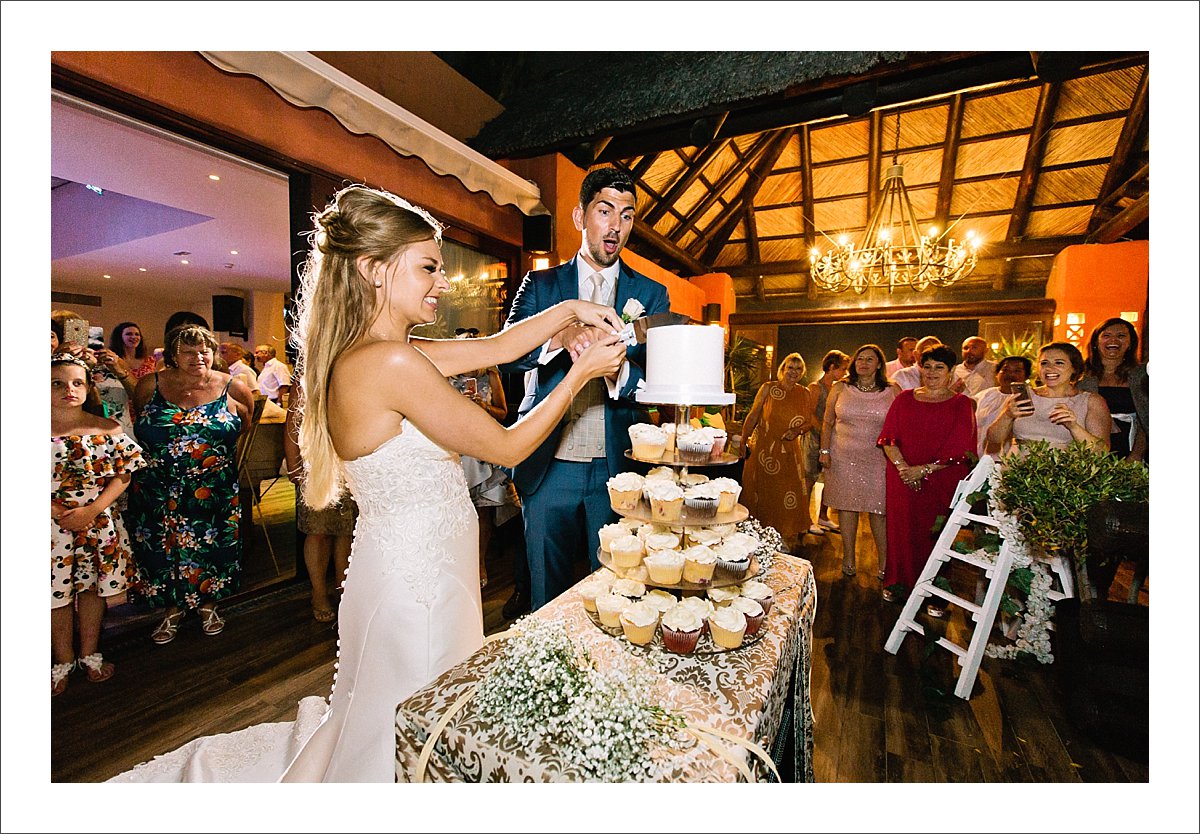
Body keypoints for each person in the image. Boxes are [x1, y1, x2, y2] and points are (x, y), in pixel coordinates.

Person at [276, 184, 626, 782]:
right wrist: (579, 373)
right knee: (422, 716)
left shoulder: (385, 352)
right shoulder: (390, 364)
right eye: (429, 268)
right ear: (374, 270)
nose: (442, 282)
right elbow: (508, 445)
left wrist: (570, 311)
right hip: (418, 582)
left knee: (409, 714)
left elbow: (496, 346)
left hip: (415, 561)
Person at [498, 167, 671, 613]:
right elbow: (508, 355)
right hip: (549, 463)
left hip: (616, 469)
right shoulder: (541, 285)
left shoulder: (651, 295)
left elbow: (657, 381)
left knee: (616, 592)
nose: (616, 225)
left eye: (628, 215)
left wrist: (614, 371)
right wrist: (560, 336)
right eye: (605, 210)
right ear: (580, 217)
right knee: (546, 598)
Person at [127, 324, 256, 644]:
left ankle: (209, 607)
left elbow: (244, 426)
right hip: (158, 489)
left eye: (204, 350)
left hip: (213, 489)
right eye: (188, 351)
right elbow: (143, 421)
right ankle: (171, 611)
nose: (198, 357)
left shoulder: (234, 387)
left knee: (213, 549)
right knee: (162, 551)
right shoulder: (148, 385)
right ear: (172, 355)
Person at [51, 353, 146, 695]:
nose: (69, 390)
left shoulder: (105, 427)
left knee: (92, 588)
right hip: (50, 526)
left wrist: (92, 510)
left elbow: (124, 472)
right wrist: (56, 510)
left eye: (77, 383)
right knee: (54, 595)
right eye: (57, 383)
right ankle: (62, 659)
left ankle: (89, 652)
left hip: (95, 520)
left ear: (89, 387)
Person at [878, 345, 976, 610]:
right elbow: (888, 438)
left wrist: (922, 470)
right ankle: (897, 583)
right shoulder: (904, 398)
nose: (932, 372)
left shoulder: (961, 403)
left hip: (941, 479)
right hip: (901, 478)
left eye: (939, 367)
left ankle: (936, 592)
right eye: (927, 366)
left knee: (936, 535)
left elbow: (961, 448)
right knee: (900, 533)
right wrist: (903, 468)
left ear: (951, 371)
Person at [818, 344, 899, 579]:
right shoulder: (841, 387)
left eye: (869, 359)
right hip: (843, 456)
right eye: (859, 359)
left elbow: (901, 424)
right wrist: (824, 451)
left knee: (878, 510)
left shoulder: (892, 390)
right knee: (847, 507)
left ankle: (884, 563)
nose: (863, 363)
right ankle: (849, 557)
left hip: (878, 457)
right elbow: (827, 422)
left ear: (879, 365)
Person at [449, 330, 520, 589]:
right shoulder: (443, 375)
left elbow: (502, 414)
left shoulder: (490, 375)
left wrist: (483, 406)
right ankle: (456, 563)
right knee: (456, 513)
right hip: (455, 451)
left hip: (481, 453)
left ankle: (479, 562)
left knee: (483, 513)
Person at [283, 377, 354, 623]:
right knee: (317, 530)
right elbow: (293, 420)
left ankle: (342, 587)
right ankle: (318, 592)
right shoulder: (307, 374)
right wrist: (293, 463)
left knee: (346, 529)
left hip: (352, 456)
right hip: (318, 458)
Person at [741, 352, 817, 552]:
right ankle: (757, 536)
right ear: (783, 369)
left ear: (802, 372)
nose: (794, 372)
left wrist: (797, 431)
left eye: (798, 369)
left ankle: (778, 536)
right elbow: (753, 415)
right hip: (764, 449)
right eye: (790, 367)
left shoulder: (805, 393)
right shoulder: (768, 388)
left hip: (790, 453)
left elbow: (809, 422)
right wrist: (742, 440)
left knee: (785, 495)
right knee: (764, 494)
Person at [984, 341, 1111, 455]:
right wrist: (1007, 415)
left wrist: (1073, 427)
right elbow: (993, 439)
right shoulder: (1023, 396)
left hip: (1065, 474)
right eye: (1044, 363)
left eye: (1059, 363)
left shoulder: (1091, 401)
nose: (1050, 368)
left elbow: (1101, 451)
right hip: (1018, 471)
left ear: (1074, 368)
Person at [1076, 317, 1148, 461]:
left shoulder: (1142, 375)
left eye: (1121, 336)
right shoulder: (1079, 374)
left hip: (1131, 447)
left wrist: (1136, 454)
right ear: (1096, 342)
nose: (1113, 341)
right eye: (1106, 336)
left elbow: (1147, 418)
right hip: (1089, 448)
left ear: (1130, 343)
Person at [804, 349, 850, 535]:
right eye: (843, 369)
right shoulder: (815, 387)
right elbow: (809, 413)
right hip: (815, 439)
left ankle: (823, 516)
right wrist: (824, 431)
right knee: (810, 480)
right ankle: (805, 519)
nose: (845, 373)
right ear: (832, 367)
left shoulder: (839, 388)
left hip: (834, 440)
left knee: (830, 480)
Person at [972, 355, 1032, 457]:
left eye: (1017, 371)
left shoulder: (1029, 399)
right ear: (997, 374)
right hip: (980, 458)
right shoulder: (983, 396)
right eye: (1005, 370)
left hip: (1010, 461)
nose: (1010, 374)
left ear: (1026, 376)